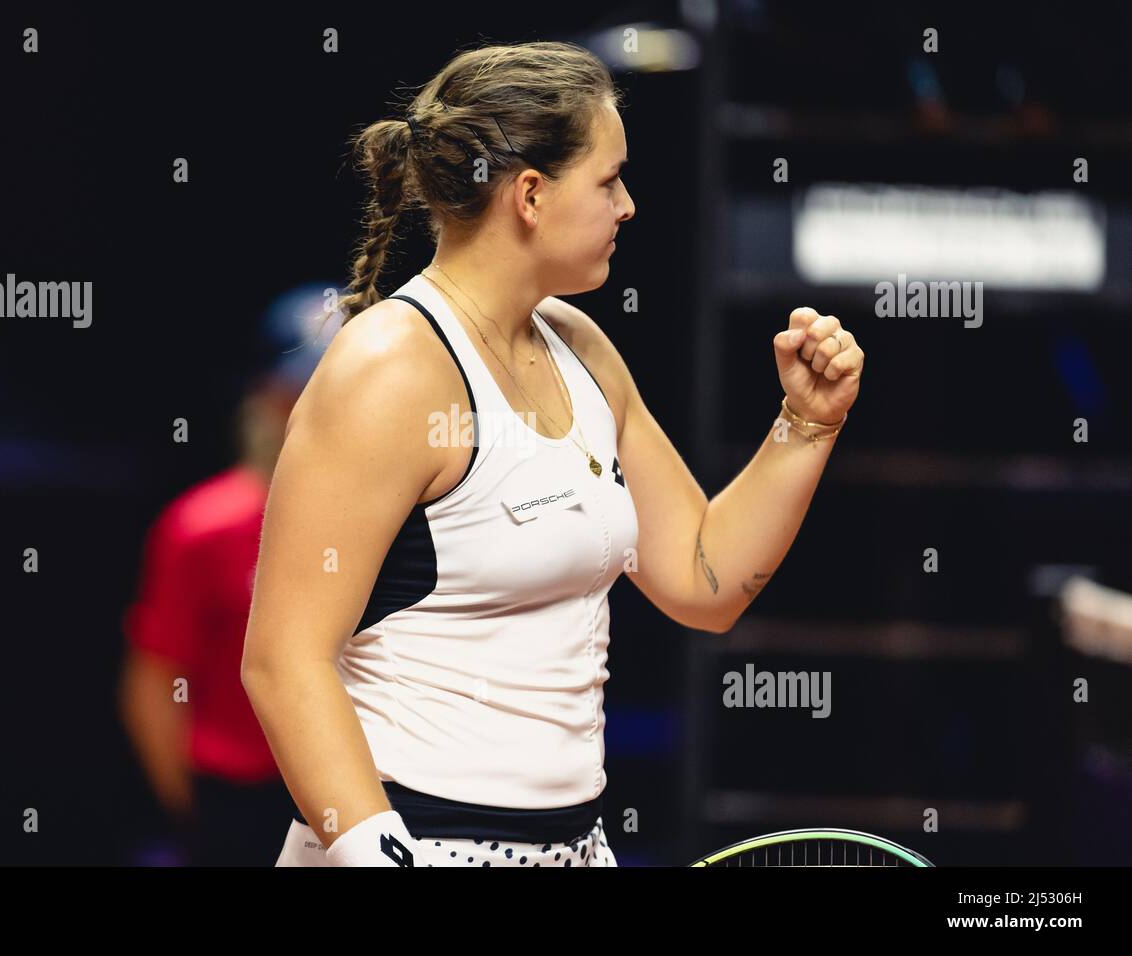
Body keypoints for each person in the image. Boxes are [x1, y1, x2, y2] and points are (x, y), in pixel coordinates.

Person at [240, 40, 865, 867]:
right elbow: (283, 661)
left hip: (576, 845)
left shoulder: (583, 347)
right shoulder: (388, 367)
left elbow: (703, 579)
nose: (629, 205)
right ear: (530, 195)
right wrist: (383, 857)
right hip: (405, 843)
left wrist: (805, 426)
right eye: (609, 180)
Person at [119, 282, 337, 865]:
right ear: (267, 395)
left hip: (368, 796)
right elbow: (154, 682)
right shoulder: (203, 527)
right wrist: (200, 824)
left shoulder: (397, 522)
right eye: (304, 391)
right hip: (239, 804)